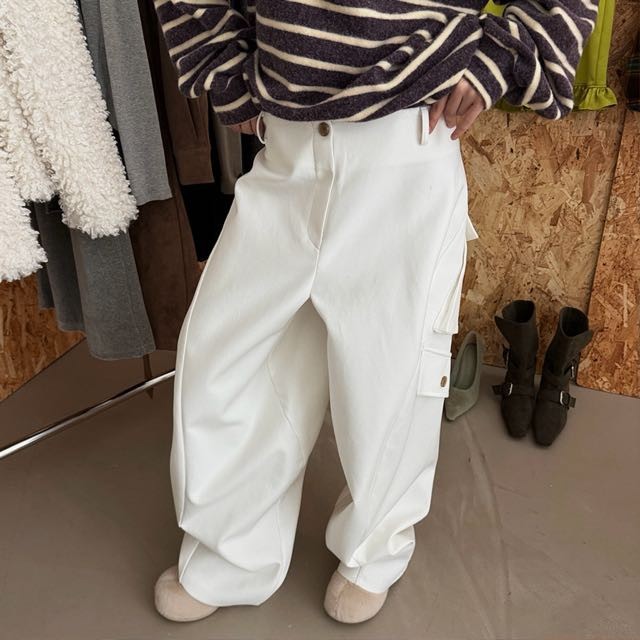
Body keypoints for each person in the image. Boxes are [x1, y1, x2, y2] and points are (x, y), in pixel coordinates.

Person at [151, 0, 598, 625]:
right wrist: (222, 64)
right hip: (286, 147)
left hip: (407, 145)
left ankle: (372, 554)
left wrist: (505, 54)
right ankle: (230, 553)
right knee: (228, 359)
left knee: (391, 375)